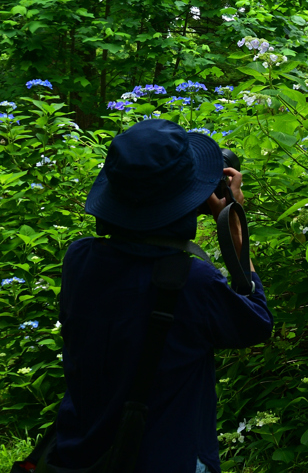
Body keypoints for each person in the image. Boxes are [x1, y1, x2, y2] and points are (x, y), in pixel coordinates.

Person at [46, 119, 273, 473]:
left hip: (82, 452)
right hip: (169, 457)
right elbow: (256, 323)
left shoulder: (79, 259)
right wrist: (234, 226)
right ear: (186, 201)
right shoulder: (192, 279)